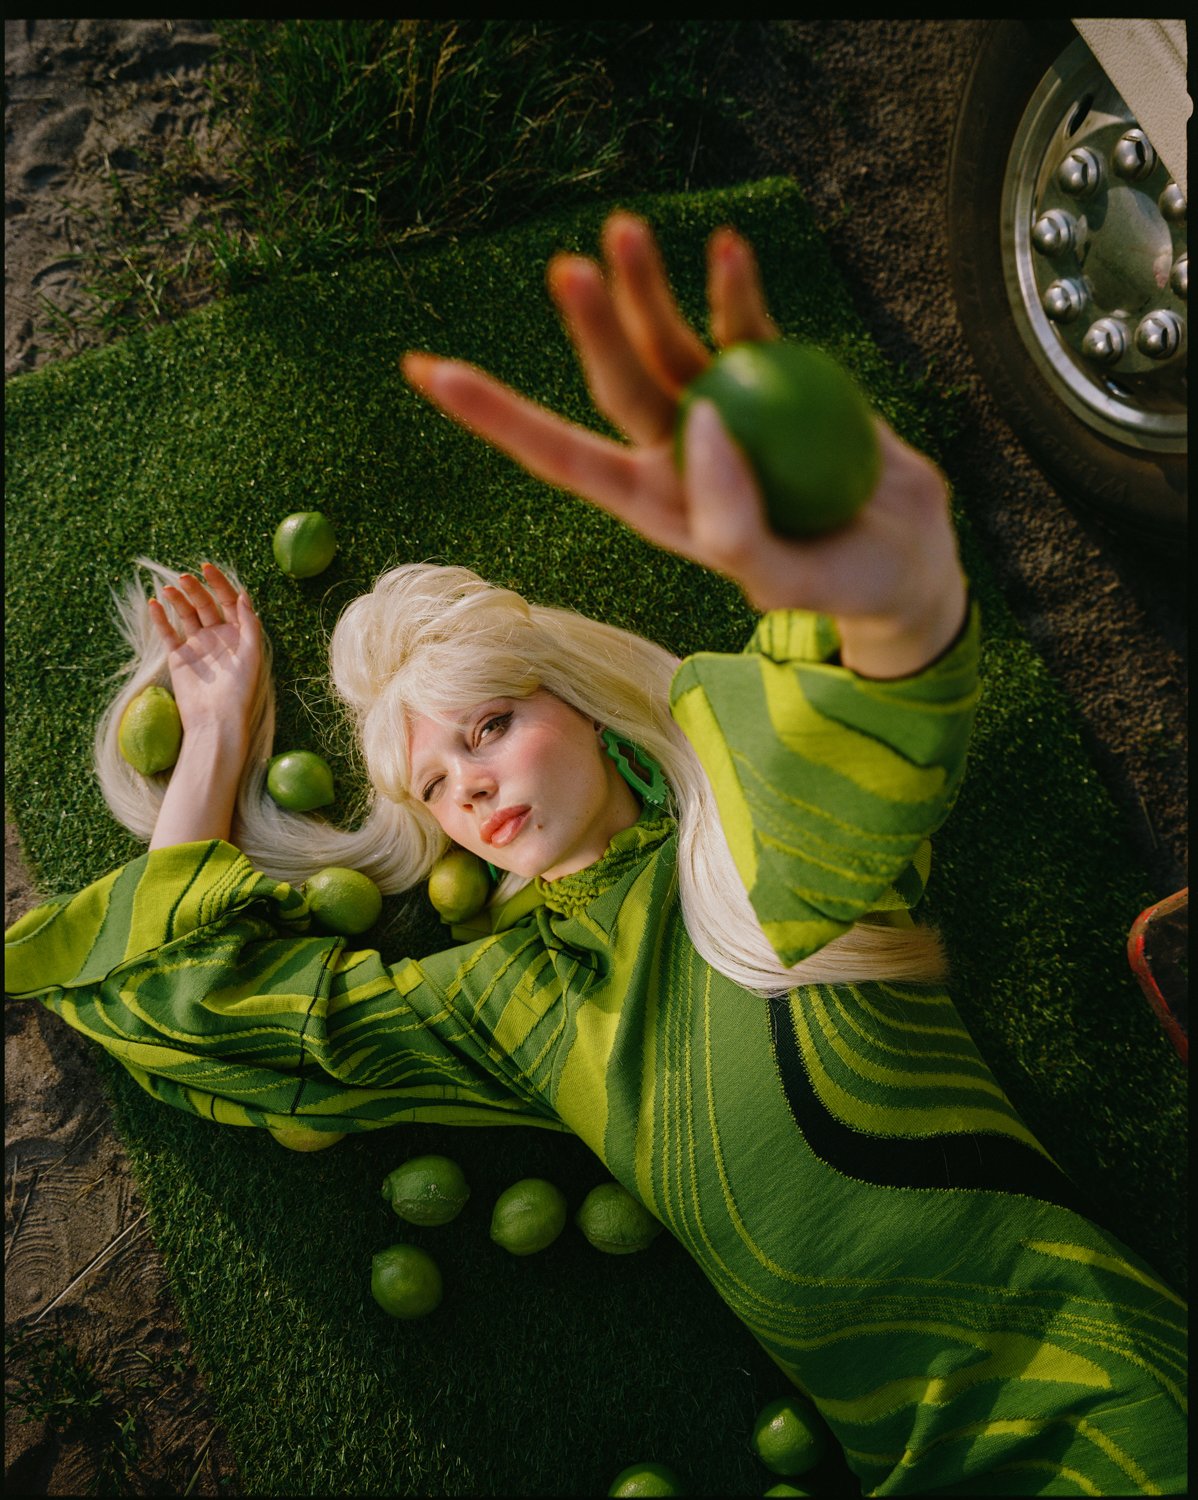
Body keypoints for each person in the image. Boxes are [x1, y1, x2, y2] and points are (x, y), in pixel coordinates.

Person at [5, 213, 1185, 1496]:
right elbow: (193, 1010)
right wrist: (218, 738)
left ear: (576, 699)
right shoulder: (510, 1007)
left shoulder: (748, 847)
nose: (474, 789)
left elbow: (857, 705)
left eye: (492, 726)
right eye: (435, 781)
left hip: (1114, 1409)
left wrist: (826, 545)